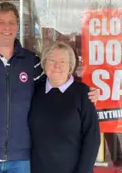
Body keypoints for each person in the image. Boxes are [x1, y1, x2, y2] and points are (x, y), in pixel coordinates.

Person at [0, 2, 99, 172]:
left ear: (17, 27)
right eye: (1, 22)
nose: (7, 27)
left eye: (12, 22)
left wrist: (87, 91)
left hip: (21, 161)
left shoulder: (31, 62)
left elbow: (56, 80)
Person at [29, 41, 100, 173]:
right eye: (52, 60)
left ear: (70, 66)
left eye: (63, 62)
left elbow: (92, 138)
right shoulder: (35, 91)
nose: (57, 66)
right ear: (44, 63)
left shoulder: (83, 93)